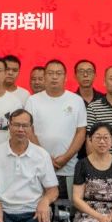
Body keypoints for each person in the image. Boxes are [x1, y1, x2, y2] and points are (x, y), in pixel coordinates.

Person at [24, 60, 87, 193]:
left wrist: (65, 158)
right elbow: (29, 131)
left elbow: (81, 132)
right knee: (40, 205)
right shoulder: (32, 100)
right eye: (50, 73)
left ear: (65, 77)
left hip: (68, 168)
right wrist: (45, 158)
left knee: (68, 205)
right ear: (44, 76)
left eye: (58, 73)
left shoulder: (76, 100)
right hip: (38, 167)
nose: (54, 77)